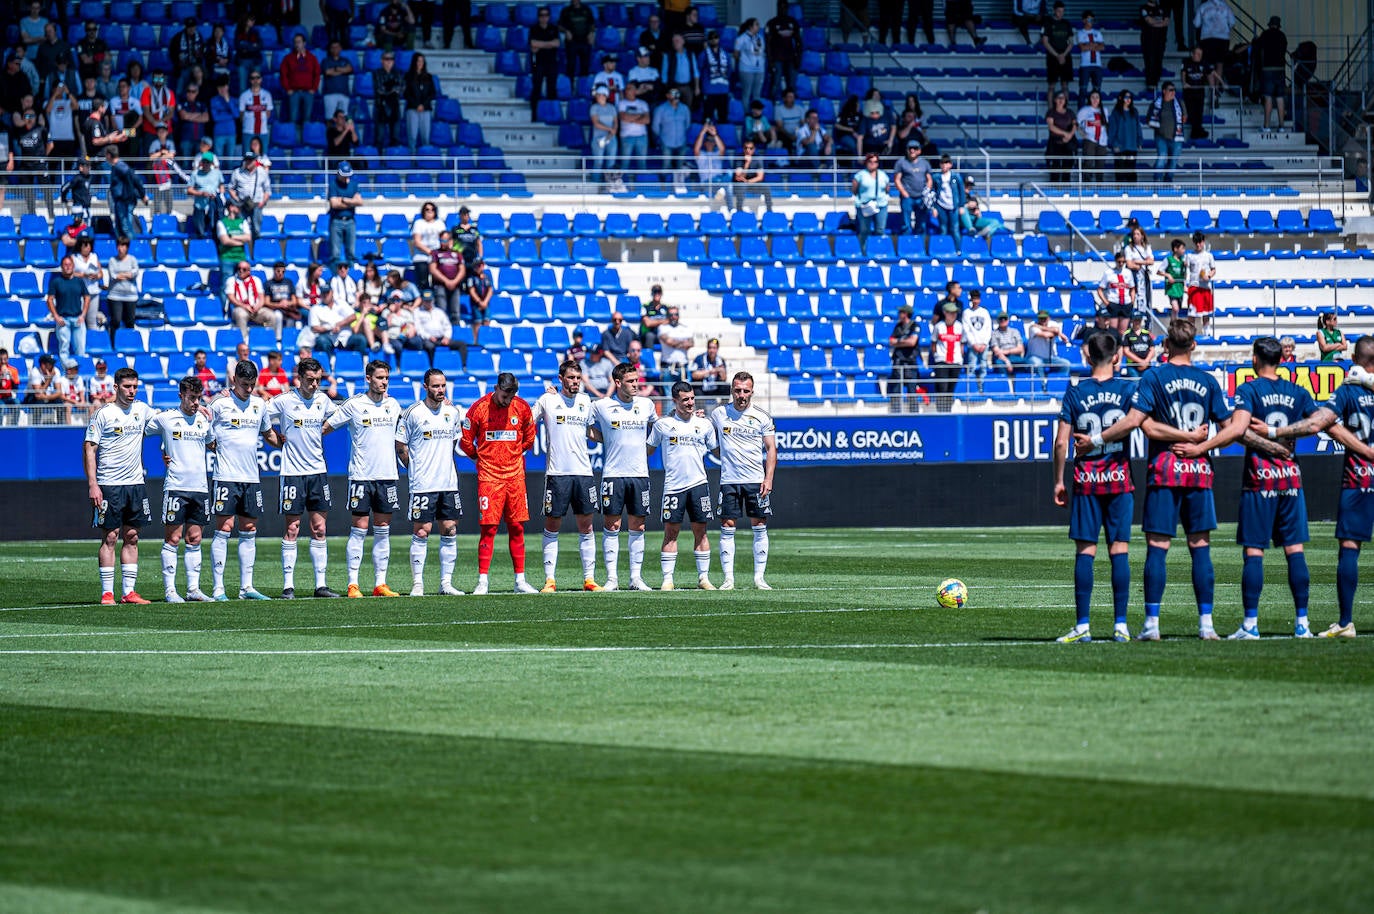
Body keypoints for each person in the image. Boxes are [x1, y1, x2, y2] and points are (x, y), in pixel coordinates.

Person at [1079, 319, 1233, 640]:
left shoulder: (1153, 376)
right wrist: (1199, 443)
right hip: (1199, 471)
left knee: (1158, 546)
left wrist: (1095, 440)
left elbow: (1144, 426)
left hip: (1165, 469)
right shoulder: (1208, 381)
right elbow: (1231, 429)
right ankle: (1206, 625)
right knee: (1200, 546)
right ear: (1193, 345)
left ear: (1165, 346)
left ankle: (1152, 624)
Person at [1176, 338, 1314, 638]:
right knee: (1295, 550)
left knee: (1254, 551)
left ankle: (1250, 624)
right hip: (1291, 478)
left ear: (1255, 359)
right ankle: (1302, 623)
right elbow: (1316, 424)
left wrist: (1202, 449)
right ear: (1280, 359)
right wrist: (1283, 434)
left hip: (1260, 479)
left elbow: (1237, 430)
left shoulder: (1248, 390)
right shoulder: (1298, 391)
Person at [1267, 336, 1374, 638]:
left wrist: (1276, 430)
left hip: (1361, 478)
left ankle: (1346, 622)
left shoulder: (1348, 392)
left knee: (1350, 549)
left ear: (1353, 358)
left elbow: (1316, 424)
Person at [1051, 331, 1135, 643]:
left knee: (1086, 550)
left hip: (1086, 480)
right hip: (1119, 478)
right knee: (1119, 550)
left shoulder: (1075, 392)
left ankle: (1083, 625)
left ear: (1087, 356)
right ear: (1116, 356)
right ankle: (1121, 626)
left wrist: (1059, 480)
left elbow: (1062, 443)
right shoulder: (1128, 390)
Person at [319, 359, 402, 597]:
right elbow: (326, 427)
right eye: (379, 378)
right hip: (362, 476)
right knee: (360, 528)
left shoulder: (394, 405)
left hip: (387, 475)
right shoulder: (354, 404)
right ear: (368, 379)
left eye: (386, 378)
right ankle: (353, 584)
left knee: (383, 528)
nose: (383, 382)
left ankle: (380, 584)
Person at [262, 357, 341, 600]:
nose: (315, 385)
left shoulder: (322, 400)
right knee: (293, 528)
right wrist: (273, 438)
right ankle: (288, 586)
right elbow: (260, 413)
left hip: (317, 472)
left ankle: (321, 585)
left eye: (318, 380)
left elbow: (336, 418)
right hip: (292, 473)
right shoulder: (285, 401)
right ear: (299, 378)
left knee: (319, 528)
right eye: (310, 380)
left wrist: (324, 429)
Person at [459, 372, 539, 594]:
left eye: (511, 396)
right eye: (505, 395)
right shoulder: (479, 408)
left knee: (516, 527)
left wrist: (512, 455)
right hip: (489, 477)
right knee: (489, 528)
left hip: (515, 476)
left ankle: (520, 581)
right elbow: (465, 441)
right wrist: (481, 458)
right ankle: (483, 581)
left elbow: (529, 438)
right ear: (496, 388)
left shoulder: (522, 407)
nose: (508, 400)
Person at [84, 365, 157, 604]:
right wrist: (93, 485)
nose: (132, 391)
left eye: (135, 387)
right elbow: (89, 448)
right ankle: (107, 593)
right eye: (127, 386)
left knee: (133, 536)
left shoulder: (142, 410)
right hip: (110, 485)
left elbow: (167, 423)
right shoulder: (103, 414)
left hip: (136, 484)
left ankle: (129, 592)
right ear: (116, 387)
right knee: (111, 537)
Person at [205, 359, 274, 601]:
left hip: (251, 477)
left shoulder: (259, 404)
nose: (248, 389)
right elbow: (201, 427)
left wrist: (291, 440)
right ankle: (219, 588)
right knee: (224, 528)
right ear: (234, 380)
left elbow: (269, 434)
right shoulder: (220, 403)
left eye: (252, 384)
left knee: (249, 529)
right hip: (226, 476)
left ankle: (247, 588)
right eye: (244, 384)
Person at [532, 360, 602, 592]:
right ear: (561, 379)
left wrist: (614, 438)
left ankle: (589, 580)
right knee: (552, 525)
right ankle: (550, 580)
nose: (575, 382)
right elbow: (527, 420)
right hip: (557, 473)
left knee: (587, 526)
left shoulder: (585, 401)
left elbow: (591, 431)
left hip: (583, 472)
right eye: (571, 378)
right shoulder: (547, 400)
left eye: (578, 378)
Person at [395, 368, 466, 597]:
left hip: (448, 483)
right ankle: (418, 584)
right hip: (423, 484)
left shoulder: (452, 412)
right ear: (425, 387)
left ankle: (446, 583)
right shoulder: (412, 413)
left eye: (443, 385)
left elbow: (454, 442)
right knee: (422, 532)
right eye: (435, 386)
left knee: (450, 529)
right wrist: (414, 468)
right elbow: (400, 446)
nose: (440, 390)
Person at [145, 376, 214, 603]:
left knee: (194, 538)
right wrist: (162, 451)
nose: (195, 402)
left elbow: (212, 443)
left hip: (200, 487)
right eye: (191, 398)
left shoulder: (204, 420)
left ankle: (193, 589)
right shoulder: (165, 419)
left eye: (198, 398)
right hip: (176, 487)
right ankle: (170, 591)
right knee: (172, 538)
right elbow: (141, 431)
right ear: (181, 396)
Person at [645, 381, 717, 590]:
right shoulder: (663, 425)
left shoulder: (704, 424)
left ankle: (704, 578)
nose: (690, 403)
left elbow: (717, 451)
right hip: (673, 487)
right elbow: (648, 449)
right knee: (671, 532)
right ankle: (668, 579)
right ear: (675, 400)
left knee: (701, 531)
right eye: (685, 399)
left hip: (699, 484)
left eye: (692, 398)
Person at [591, 363, 656, 590]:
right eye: (630, 381)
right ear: (618, 383)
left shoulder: (646, 405)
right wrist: (605, 438)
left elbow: (657, 430)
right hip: (613, 474)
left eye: (636, 380)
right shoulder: (602, 406)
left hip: (639, 474)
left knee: (638, 526)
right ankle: (612, 579)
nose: (636, 385)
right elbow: (583, 425)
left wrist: (648, 447)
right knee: (612, 524)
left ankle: (635, 578)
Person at [710, 371, 777, 590]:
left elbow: (771, 449)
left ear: (752, 392)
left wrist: (768, 478)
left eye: (746, 391)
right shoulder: (719, 414)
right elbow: (711, 441)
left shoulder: (762, 416)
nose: (741, 395)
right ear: (732, 390)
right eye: (737, 390)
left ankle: (759, 578)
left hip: (756, 481)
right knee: (727, 526)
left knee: (759, 525)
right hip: (729, 480)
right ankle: (728, 579)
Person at [47, 254, 90, 363]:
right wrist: (56, 316)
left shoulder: (79, 281)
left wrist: (83, 315)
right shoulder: (56, 282)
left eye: (69, 264)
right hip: (63, 319)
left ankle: (79, 374)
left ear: (73, 265)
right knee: (64, 348)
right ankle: (65, 373)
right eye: (65, 265)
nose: (67, 267)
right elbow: (50, 299)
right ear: (61, 266)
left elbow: (87, 297)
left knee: (80, 348)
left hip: (78, 318)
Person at [278, 33, 319, 145]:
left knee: (307, 119)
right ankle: (294, 141)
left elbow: (317, 74)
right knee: (293, 118)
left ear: (304, 43)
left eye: (299, 42)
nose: (297, 44)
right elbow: (283, 74)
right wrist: (288, 89)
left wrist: (314, 89)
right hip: (294, 92)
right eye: (295, 42)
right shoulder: (288, 58)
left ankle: (306, 141)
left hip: (308, 92)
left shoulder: (312, 58)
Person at [104, 145, 147, 240]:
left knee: (126, 227)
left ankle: (133, 249)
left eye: (106, 155)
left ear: (109, 155)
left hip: (125, 202)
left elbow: (136, 179)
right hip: (120, 202)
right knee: (119, 229)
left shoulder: (121, 166)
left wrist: (143, 195)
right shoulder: (116, 167)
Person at [887, 305, 923, 413]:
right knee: (896, 390)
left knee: (912, 390)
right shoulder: (897, 327)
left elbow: (912, 342)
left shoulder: (914, 326)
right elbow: (891, 341)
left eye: (901, 312)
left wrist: (898, 342)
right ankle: (896, 413)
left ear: (906, 314)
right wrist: (903, 341)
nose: (898, 315)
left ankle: (913, 414)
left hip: (910, 361)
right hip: (898, 361)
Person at [228, 152, 271, 242]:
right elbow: (231, 188)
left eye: (250, 160)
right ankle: (244, 251)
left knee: (256, 230)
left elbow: (267, 190)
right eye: (246, 160)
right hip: (242, 204)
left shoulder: (262, 172)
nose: (248, 162)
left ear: (255, 161)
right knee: (241, 228)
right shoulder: (237, 172)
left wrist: (262, 202)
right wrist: (237, 200)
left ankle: (256, 251)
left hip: (256, 204)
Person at [1193, 0, 1234, 91]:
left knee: (1208, 64)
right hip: (1223, 38)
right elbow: (1232, 23)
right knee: (1220, 63)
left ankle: (1213, 89)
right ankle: (1217, 85)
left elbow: (1196, 24)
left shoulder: (1203, 7)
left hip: (1207, 37)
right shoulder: (1226, 6)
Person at [528, 7, 561, 122]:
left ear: (549, 16)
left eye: (546, 15)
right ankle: (534, 115)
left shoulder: (554, 28)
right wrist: (549, 44)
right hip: (538, 62)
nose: (544, 17)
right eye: (541, 15)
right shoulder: (534, 29)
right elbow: (533, 45)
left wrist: (541, 45)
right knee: (536, 88)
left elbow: (557, 43)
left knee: (552, 88)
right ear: (538, 17)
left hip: (551, 62)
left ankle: (551, 115)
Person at [1148, 82, 1185, 182]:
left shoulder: (1179, 103)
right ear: (1164, 91)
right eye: (1171, 90)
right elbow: (1150, 120)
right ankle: (1157, 180)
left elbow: (1184, 118)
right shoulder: (1156, 103)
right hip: (1161, 137)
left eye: (1174, 90)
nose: (1173, 92)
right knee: (1162, 157)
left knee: (1173, 161)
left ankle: (1168, 181)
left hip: (1176, 138)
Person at [327, 161, 361, 268]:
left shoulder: (354, 184)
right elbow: (334, 204)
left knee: (351, 253)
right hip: (336, 221)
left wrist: (343, 200)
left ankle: (350, 278)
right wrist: (351, 202)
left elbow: (360, 202)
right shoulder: (333, 185)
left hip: (350, 221)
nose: (345, 177)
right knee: (335, 254)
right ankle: (335, 278)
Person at [930, 302, 963, 412]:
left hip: (956, 362)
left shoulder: (959, 326)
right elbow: (933, 343)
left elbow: (962, 343)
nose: (953, 315)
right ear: (945, 313)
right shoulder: (939, 326)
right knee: (942, 387)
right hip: (942, 361)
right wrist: (936, 356)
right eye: (951, 313)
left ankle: (947, 411)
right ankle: (941, 411)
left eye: (955, 313)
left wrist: (960, 357)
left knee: (951, 389)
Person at [894, 140, 932, 237]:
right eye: (910, 148)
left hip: (921, 197)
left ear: (919, 150)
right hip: (907, 197)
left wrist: (927, 192)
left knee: (921, 224)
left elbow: (929, 179)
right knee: (905, 224)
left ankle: (920, 247)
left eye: (915, 148)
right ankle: (907, 246)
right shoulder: (901, 162)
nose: (912, 150)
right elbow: (897, 179)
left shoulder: (925, 163)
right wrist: (903, 192)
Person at [852, 152, 890, 246]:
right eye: (870, 161)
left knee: (880, 229)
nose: (873, 163)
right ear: (866, 162)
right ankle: (864, 251)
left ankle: (878, 249)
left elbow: (887, 188)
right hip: (864, 205)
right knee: (864, 230)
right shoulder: (860, 175)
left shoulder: (883, 175)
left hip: (880, 204)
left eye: (875, 161)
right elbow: (854, 189)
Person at [429, 230, 466, 324]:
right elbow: (433, 270)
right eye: (440, 240)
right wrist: (446, 281)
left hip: (455, 286)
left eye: (444, 241)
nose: (442, 243)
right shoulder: (435, 253)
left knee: (455, 313)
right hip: (440, 285)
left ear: (450, 241)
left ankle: (456, 335)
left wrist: (454, 281)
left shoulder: (457, 253)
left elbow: (462, 270)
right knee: (441, 312)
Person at [1027, 309, 1072, 385]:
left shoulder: (1051, 324)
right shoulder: (1032, 326)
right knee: (1036, 364)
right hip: (1036, 356)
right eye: (1041, 318)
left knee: (1065, 364)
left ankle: (1059, 385)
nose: (1043, 320)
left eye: (1045, 318)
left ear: (1049, 318)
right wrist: (1055, 332)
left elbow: (1056, 330)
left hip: (1051, 357)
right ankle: (1042, 386)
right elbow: (1046, 335)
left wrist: (1040, 327)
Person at [403, 53, 437, 151]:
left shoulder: (429, 77)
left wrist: (423, 105)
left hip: (426, 110)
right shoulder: (408, 77)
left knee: (426, 137)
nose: (420, 63)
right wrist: (416, 105)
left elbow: (432, 93)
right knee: (412, 137)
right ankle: (412, 161)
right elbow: (406, 94)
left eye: (422, 61)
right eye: (418, 61)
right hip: (412, 109)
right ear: (414, 62)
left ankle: (425, 162)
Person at [1041, 1, 1074, 103]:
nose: (1061, 13)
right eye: (1059, 11)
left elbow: (1071, 42)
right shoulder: (1048, 23)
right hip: (1052, 57)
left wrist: (1063, 55)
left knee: (1065, 85)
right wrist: (1057, 55)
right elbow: (1045, 42)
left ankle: (1065, 110)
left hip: (1065, 57)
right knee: (1052, 85)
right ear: (1054, 10)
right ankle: (1051, 111)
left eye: (1062, 11)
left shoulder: (1066, 23)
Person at [1097, 250, 1136, 336]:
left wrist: (1132, 301)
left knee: (1123, 332)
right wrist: (1106, 302)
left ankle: (1121, 348)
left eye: (1123, 262)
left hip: (1126, 304)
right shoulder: (1108, 273)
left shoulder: (1128, 273)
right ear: (1115, 261)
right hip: (1113, 303)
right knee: (1113, 332)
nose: (1121, 264)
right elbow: (1100, 289)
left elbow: (1132, 288)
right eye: (1119, 262)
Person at [1184, 230, 1216, 335]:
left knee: (1206, 312)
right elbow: (1185, 271)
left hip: (1205, 286)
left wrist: (1209, 276)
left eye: (1200, 242)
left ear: (1203, 242)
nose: (1198, 244)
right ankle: (1190, 334)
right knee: (1192, 312)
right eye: (1196, 242)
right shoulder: (1189, 256)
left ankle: (1206, 333)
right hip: (1194, 286)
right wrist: (1185, 285)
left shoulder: (1209, 256)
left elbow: (1213, 269)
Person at [652, 87, 690, 172]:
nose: (675, 96)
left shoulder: (685, 108)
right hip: (666, 142)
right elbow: (655, 126)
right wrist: (661, 137)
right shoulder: (660, 109)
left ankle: (678, 184)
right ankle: (665, 184)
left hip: (681, 141)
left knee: (680, 166)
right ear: (667, 95)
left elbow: (687, 124)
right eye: (673, 94)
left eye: (677, 93)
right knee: (666, 166)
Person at [617, 82, 650, 178]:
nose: (627, 90)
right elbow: (623, 117)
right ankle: (622, 185)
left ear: (635, 91)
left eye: (630, 88)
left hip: (642, 136)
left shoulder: (643, 103)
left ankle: (642, 186)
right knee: (625, 163)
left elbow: (647, 120)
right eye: (626, 88)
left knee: (642, 163)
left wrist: (631, 118)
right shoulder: (622, 103)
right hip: (627, 137)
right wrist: (640, 115)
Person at [962, 289, 993, 392]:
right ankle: (971, 388)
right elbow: (966, 330)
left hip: (984, 345)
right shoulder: (966, 313)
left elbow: (988, 329)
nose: (975, 301)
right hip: (973, 345)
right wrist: (973, 343)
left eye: (977, 299)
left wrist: (985, 343)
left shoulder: (985, 312)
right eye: (973, 299)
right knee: (972, 366)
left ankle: (982, 388)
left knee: (984, 366)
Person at [698, 30, 731, 125]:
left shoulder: (725, 54)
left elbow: (729, 69)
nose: (714, 40)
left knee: (723, 117)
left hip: (723, 90)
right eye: (711, 38)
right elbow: (699, 69)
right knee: (707, 118)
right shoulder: (703, 54)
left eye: (715, 37)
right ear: (708, 40)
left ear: (719, 39)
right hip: (709, 90)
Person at [558, 0, 597, 80]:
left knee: (585, 66)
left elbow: (592, 24)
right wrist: (566, 31)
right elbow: (559, 26)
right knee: (571, 66)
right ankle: (570, 88)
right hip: (571, 43)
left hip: (585, 42)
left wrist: (591, 33)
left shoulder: (587, 9)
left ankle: (583, 88)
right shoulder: (565, 11)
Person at [1107, 90, 1140, 182]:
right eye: (1126, 97)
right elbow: (1112, 130)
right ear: (1120, 98)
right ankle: (1120, 193)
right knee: (1120, 171)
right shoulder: (1116, 113)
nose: (1128, 99)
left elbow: (1138, 128)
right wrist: (1114, 144)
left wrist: (1139, 141)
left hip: (1132, 147)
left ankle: (1132, 193)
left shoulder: (1135, 112)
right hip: (1120, 147)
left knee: (1131, 170)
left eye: (1130, 97)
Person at [372, 50, 404, 148]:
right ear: (382, 60)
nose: (389, 61)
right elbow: (379, 89)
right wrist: (392, 88)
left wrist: (388, 88)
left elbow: (401, 89)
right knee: (379, 137)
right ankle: (379, 160)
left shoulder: (398, 72)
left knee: (395, 136)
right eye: (386, 59)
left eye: (391, 59)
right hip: (381, 106)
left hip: (394, 106)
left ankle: (394, 161)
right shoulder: (377, 73)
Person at [237, 69, 273, 154]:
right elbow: (241, 114)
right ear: (250, 80)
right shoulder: (244, 96)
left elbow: (268, 113)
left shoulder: (267, 95)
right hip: (248, 130)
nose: (255, 80)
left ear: (261, 79)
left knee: (263, 156)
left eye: (257, 77)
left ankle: (259, 167)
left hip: (263, 131)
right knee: (247, 156)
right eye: (253, 78)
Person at [731, 140, 772, 214]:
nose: (748, 150)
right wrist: (747, 163)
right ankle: (739, 211)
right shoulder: (738, 158)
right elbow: (739, 177)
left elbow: (760, 177)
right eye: (746, 148)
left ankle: (769, 210)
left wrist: (748, 181)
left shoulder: (758, 158)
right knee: (741, 186)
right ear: (743, 149)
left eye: (750, 148)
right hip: (741, 184)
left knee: (766, 187)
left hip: (752, 183)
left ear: (754, 149)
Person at [411, 201, 444, 290]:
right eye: (427, 209)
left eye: (432, 209)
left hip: (436, 257)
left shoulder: (439, 223)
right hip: (421, 257)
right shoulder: (419, 223)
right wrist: (430, 252)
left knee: (437, 282)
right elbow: (417, 242)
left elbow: (444, 239)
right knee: (423, 283)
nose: (430, 211)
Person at [1045, 91, 1077, 183]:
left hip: (1067, 143)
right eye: (1058, 98)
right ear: (1055, 100)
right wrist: (1064, 133)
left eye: (1062, 98)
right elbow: (1051, 126)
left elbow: (1075, 124)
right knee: (1055, 166)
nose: (1061, 100)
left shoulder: (1070, 112)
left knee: (1067, 166)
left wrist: (1070, 134)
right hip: (1055, 143)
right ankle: (1054, 187)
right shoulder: (1051, 112)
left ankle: (1066, 187)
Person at [734, 18, 765, 111]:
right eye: (756, 24)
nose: (759, 26)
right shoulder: (741, 38)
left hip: (759, 68)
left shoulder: (760, 37)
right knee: (746, 93)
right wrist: (744, 61)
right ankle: (747, 115)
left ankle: (756, 114)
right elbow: (736, 54)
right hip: (746, 69)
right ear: (750, 27)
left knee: (757, 94)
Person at [321, 40, 355, 125]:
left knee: (346, 117)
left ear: (340, 48)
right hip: (330, 93)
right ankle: (329, 137)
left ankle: (346, 136)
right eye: (333, 47)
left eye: (337, 47)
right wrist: (342, 70)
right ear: (330, 49)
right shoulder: (326, 61)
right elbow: (328, 72)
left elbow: (350, 69)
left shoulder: (345, 60)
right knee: (329, 118)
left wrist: (335, 69)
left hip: (344, 93)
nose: (335, 49)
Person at [931, 155, 965, 240]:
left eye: (946, 163)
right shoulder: (936, 177)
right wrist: (934, 207)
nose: (944, 165)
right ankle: (944, 249)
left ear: (950, 165)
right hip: (941, 206)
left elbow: (961, 192)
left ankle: (958, 250)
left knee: (955, 229)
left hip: (953, 206)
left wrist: (961, 206)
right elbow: (933, 193)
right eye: (942, 163)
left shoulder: (956, 177)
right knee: (943, 228)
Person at [1077, 88, 1107, 183]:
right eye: (1092, 97)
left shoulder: (1104, 110)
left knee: (1100, 164)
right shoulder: (1085, 110)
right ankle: (1087, 186)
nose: (1095, 99)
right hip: (1090, 140)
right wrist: (1082, 134)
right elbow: (1076, 123)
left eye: (1097, 97)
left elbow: (1106, 124)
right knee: (1088, 163)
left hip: (1102, 141)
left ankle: (1099, 186)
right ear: (1089, 99)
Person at [589, 85, 618, 184]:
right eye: (598, 95)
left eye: (602, 95)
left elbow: (615, 122)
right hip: (598, 138)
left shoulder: (612, 107)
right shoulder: (594, 107)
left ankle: (610, 184)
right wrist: (610, 129)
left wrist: (613, 130)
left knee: (611, 163)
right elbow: (596, 123)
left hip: (611, 138)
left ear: (606, 96)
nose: (600, 97)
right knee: (598, 162)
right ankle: (595, 185)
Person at [657, 306, 693, 383]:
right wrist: (683, 342)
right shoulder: (662, 328)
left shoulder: (686, 328)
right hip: (668, 365)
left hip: (683, 365)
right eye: (671, 315)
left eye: (676, 314)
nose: (673, 317)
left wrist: (674, 342)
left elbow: (691, 343)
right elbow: (669, 342)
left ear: (679, 316)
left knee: (685, 393)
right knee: (668, 393)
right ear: (667, 316)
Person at [1181, 45, 1209, 139]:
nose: (1199, 56)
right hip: (1189, 92)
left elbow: (1210, 73)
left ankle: (1196, 133)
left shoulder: (1204, 63)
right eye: (1197, 54)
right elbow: (1183, 73)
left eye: (1200, 54)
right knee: (1192, 112)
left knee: (1199, 112)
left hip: (1200, 91)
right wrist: (1184, 83)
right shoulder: (1186, 62)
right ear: (1192, 54)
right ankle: (1198, 131)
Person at [1076, 11, 1105, 101]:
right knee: (1083, 90)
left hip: (1097, 65)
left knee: (1097, 91)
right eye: (1089, 19)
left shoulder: (1098, 33)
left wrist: (1089, 45)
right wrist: (1095, 45)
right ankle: (1081, 111)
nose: (1091, 21)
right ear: (1084, 20)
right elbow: (1082, 48)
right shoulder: (1080, 33)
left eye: (1092, 19)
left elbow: (1102, 47)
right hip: (1085, 65)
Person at [1139, 1, 1169, 91]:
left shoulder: (1162, 8)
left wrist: (1156, 24)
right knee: (1150, 61)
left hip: (1160, 39)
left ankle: (1156, 81)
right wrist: (1160, 23)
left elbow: (1166, 22)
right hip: (1148, 39)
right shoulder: (1144, 8)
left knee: (1158, 60)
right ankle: (1150, 84)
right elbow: (1149, 21)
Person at [1156, 237, 1187, 321]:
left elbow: (1184, 275)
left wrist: (1184, 285)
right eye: (1182, 248)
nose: (1184, 250)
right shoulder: (1168, 259)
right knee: (1175, 307)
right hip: (1172, 288)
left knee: (1178, 309)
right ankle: (1173, 324)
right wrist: (1168, 275)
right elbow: (1159, 271)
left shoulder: (1182, 261)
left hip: (1179, 287)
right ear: (1175, 249)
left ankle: (1174, 322)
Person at [462, 256, 492, 344]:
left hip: (486, 303)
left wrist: (485, 302)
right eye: (476, 266)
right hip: (476, 304)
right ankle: (476, 341)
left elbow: (490, 290)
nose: (478, 268)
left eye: (479, 265)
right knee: (477, 321)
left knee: (486, 320)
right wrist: (479, 302)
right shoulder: (471, 278)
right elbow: (472, 291)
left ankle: (486, 339)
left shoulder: (487, 277)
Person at [690, 336, 728, 404]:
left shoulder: (720, 360)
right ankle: (701, 412)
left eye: (714, 348)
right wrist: (710, 371)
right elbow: (694, 375)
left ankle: (723, 408)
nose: (712, 350)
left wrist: (721, 371)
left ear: (717, 349)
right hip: (701, 388)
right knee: (696, 390)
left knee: (726, 386)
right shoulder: (699, 359)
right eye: (710, 348)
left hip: (714, 387)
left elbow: (724, 378)